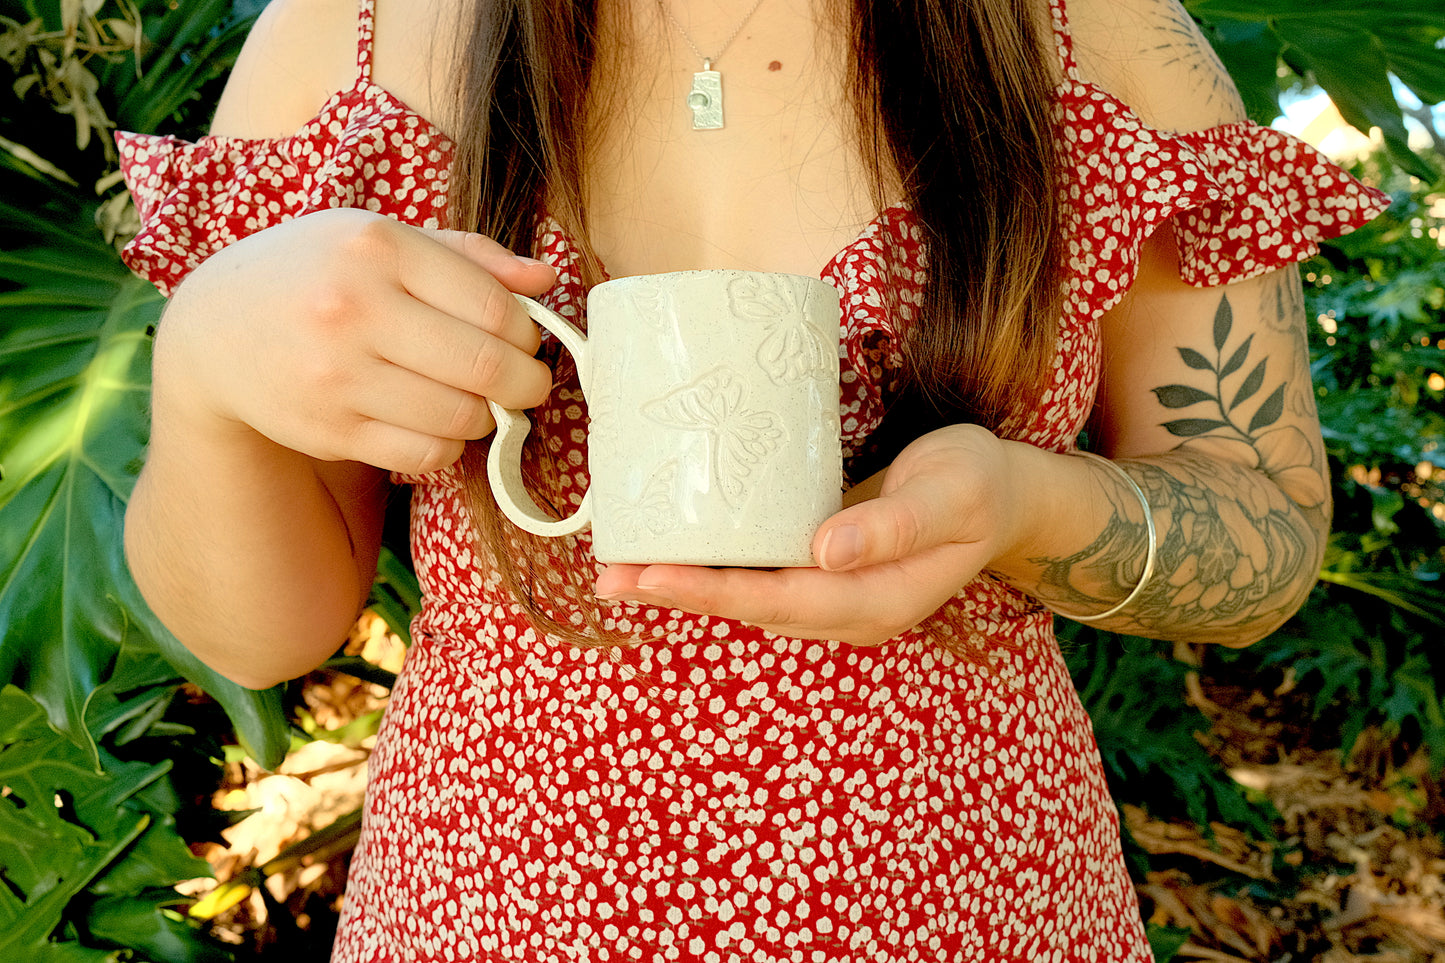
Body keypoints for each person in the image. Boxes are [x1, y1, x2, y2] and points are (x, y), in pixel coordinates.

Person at [115, 0, 1388, 956]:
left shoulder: (1096, 35)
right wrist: (208, 369)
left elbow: (1262, 528)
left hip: (983, 909)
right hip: (486, 906)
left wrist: (1026, 507)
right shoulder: (351, 41)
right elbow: (261, 634)